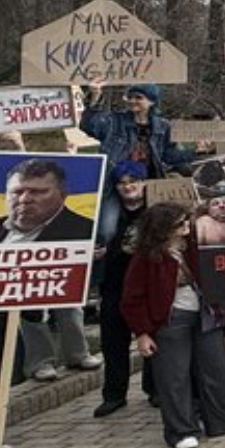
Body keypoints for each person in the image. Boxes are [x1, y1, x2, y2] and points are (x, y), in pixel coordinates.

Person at [120, 203, 225, 448]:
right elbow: (131, 299)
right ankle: (181, 430)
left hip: (205, 312)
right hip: (170, 320)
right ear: (164, 229)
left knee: (217, 367)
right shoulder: (146, 257)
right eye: (180, 224)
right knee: (174, 377)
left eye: (186, 221)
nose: (186, 227)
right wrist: (142, 333)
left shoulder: (194, 246)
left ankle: (221, 419)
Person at [79, 84, 194, 244]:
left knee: (159, 230)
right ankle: (103, 265)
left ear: (152, 102)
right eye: (130, 97)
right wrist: (95, 96)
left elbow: (168, 155)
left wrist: (196, 152)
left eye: (138, 97)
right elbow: (89, 126)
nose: (132, 101)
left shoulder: (163, 126)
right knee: (106, 231)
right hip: (116, 183)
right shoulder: (115, 120)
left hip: (149, 184)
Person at [93, 163, 154, 418]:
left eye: (134, 181)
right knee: (113, 343)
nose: (128, 186)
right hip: (114, 286)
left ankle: (156, 389)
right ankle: (114, 394)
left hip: (147, 286)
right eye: (122, 183)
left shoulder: (154, 212)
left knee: (153, 338)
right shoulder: (107, 218)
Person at [0, 158, 94, 243]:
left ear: (63, 194)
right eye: (17, 192)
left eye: (38, 192)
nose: (24, 199)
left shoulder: (88, 233)